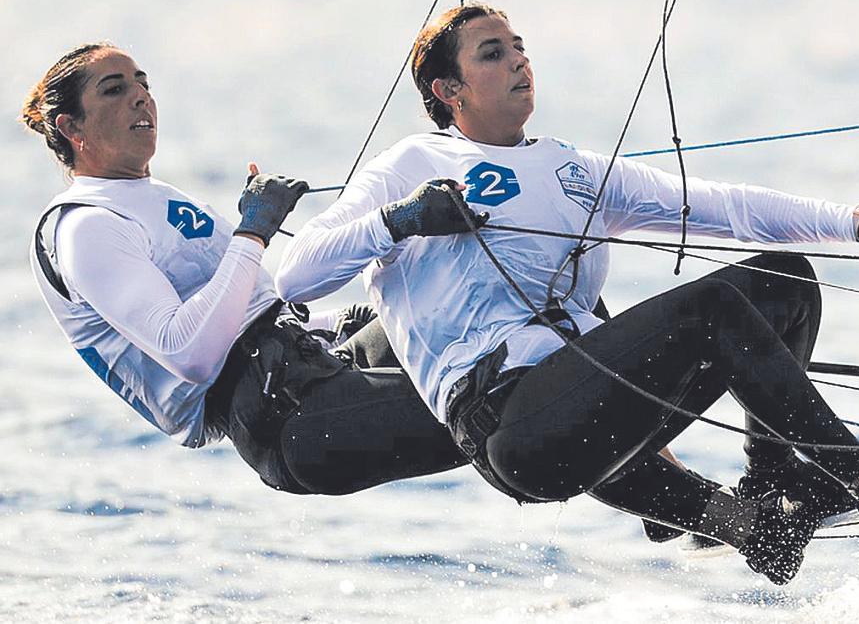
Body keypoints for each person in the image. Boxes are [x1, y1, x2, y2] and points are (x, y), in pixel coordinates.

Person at [276, 3, 859, 584]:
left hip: (591, 400)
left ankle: (773, 480)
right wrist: (399, 220)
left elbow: (724, 206)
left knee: (784, 281)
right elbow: (296, 275)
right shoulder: (414, 163)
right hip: (509, 425)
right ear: (448, 90)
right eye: (492, 53)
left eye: (519, 47)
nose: (518, 61)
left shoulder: (570, 167)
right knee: (710, 309)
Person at [20, 42, 746, 553]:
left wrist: (354, 306)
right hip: (281, 417)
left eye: (142, 81)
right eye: (114, 89)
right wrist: (253, 231)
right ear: (69, 128)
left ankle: (664, 489)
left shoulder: (143, 197)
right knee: (514, 398)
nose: (141, 96)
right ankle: (719, 517)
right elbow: (191, 351)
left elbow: (260, 305)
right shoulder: (85, 228)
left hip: (316, 354)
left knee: (516, 307)